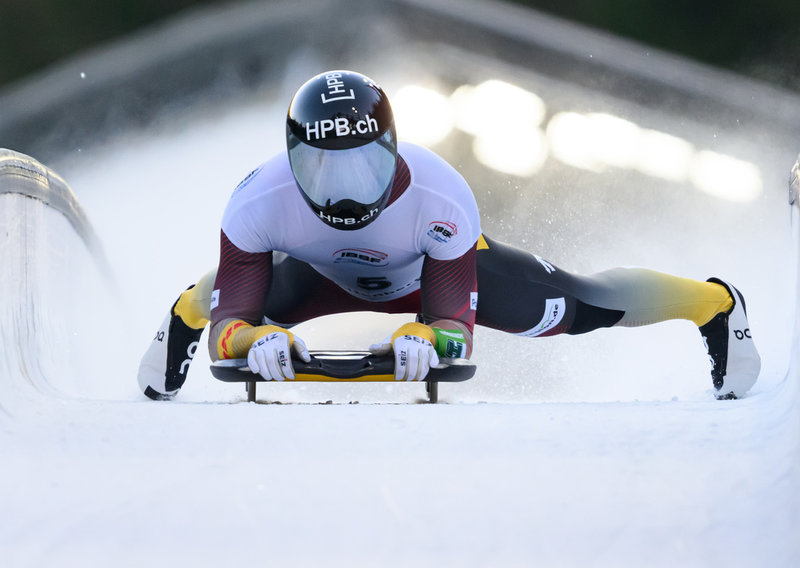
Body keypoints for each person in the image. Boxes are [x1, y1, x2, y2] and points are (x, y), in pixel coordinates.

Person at [137, 69, 761, 401]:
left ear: (394, 150)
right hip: (318, 274)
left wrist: (433, 335)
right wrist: (243, 334)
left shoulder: (443, 198)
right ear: (292, 159)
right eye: (325, 171)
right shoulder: (254, 202)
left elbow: (452, 322)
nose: (347, 194)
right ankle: (178, 321)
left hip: (428, 269)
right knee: (216, 296)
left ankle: (714, 303)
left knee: (581, 305)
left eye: (365, 166)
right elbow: (235, 317)